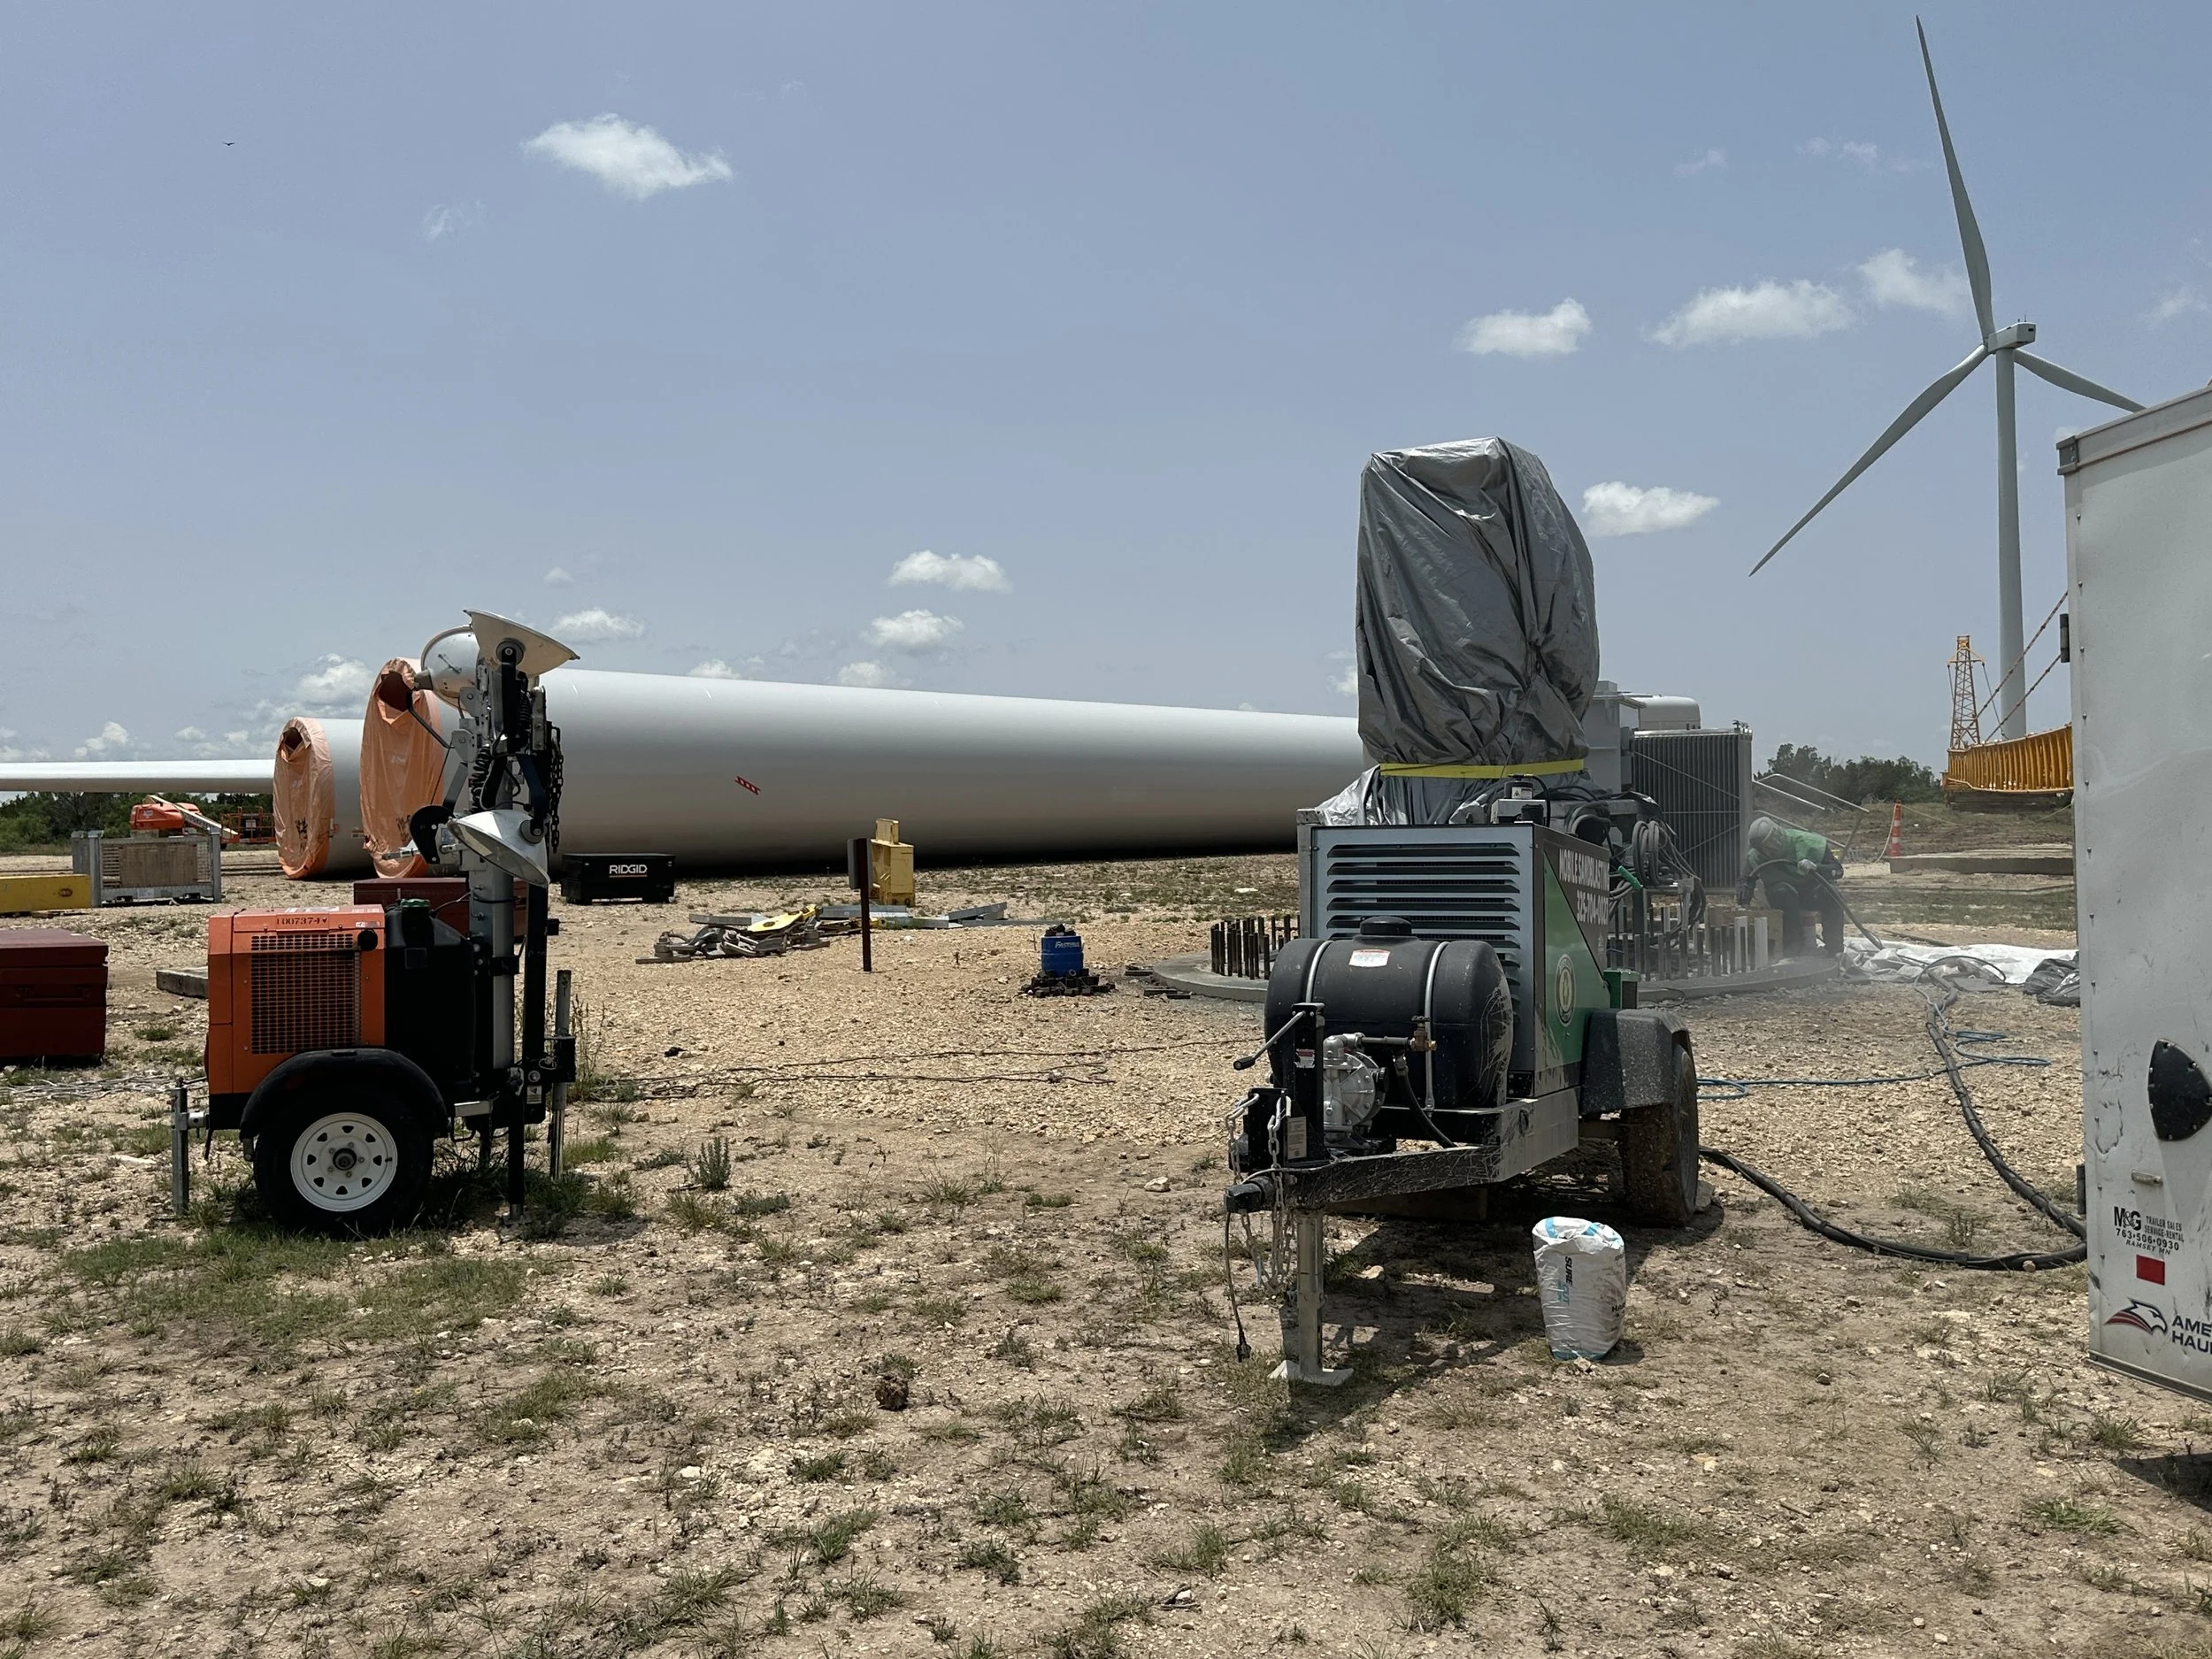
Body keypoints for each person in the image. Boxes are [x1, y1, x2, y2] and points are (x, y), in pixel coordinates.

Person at [1738, 815, 1846, 958]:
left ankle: (1835, 949)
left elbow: (1838, 871)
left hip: (1812, 893)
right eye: (1764, 849)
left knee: (1832, 893)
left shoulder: (1810, 843)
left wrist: (1817, 868)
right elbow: (1745, 880)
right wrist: (1743, 901)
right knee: (1783, 892)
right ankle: (1793, 946)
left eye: (1770, 845)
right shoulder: (1755, 857)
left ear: (1777, 837)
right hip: (1782, 900)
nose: (1769, 852)